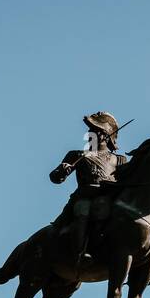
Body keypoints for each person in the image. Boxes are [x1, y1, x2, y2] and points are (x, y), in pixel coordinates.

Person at [49, 111, 128, 261]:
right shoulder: (77, 155)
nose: (90, 133)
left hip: (110, 198)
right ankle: (80, 253)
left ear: (106, 135)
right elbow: (55, 178)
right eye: (90, 130)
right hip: (85, 197)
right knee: (83, 210)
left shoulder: (120, 160)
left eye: (94, 130)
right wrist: (62, 170)